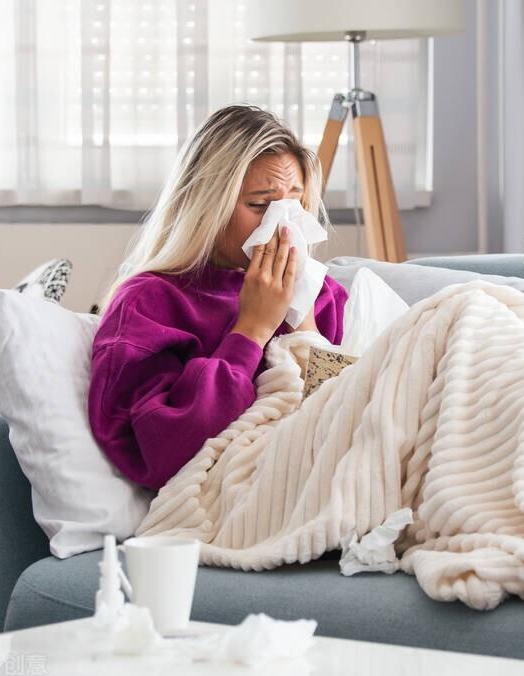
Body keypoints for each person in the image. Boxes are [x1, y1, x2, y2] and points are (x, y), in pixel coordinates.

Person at [88, 105, 348, 491]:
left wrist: (304, 322)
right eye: (260, 205)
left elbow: (342, 418)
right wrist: (253, 329)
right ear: (208, 206)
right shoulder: (150, 303)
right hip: (240, 492)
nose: (283, 223)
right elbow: (163, 453)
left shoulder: (321, 293)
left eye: (295, 202)